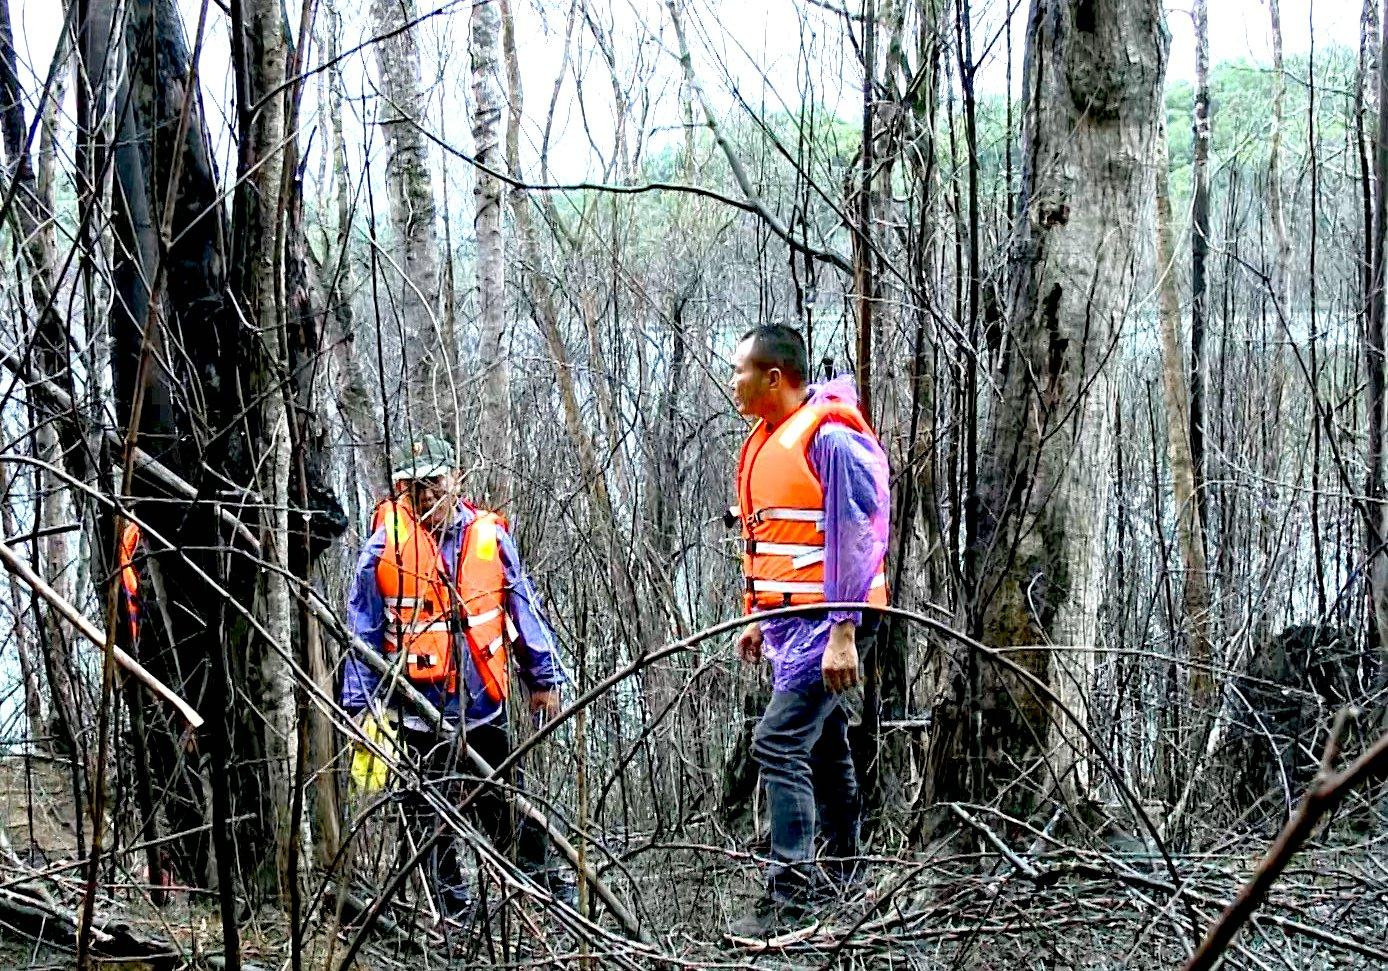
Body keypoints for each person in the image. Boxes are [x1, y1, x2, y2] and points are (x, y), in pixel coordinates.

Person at [340, 434, 570, 917]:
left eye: (435, 483)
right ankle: (452, 915)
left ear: (456, 480)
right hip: (417, 716)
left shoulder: (490, 538)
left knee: (510, 810)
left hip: (484, 707)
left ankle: (550, 897)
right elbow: (362, 631)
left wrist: (543, 681)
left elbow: (524, 611)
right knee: (429, 824)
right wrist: (361, 708)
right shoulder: (385, 546)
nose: (426, 495)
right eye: (416, 485)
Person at [726, 325, 890, 938]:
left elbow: (857, 536)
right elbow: (768, 540)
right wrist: (756, 618)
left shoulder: (831, 438)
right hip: (790, 621)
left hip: (835, 618)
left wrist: (844, 630)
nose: (733, 382)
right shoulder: (763, 441)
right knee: (823, 743)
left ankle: (791, 896)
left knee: (777, 743)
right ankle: (847, 874)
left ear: (774, 378)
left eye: (741, 371)